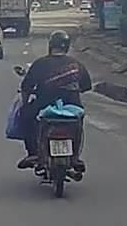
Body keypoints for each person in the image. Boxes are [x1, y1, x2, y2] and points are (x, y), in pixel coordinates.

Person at [16, 30, 93, 170]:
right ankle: (75, 157)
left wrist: (25, 104)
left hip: (44, 104)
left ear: (51, 45)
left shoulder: (40, 63)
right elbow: (86, 86)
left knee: (25, 115)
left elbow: (26, 87)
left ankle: (33, 153)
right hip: (72, 106)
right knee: (78, 124)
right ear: (67, 46)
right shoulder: (76, 64)